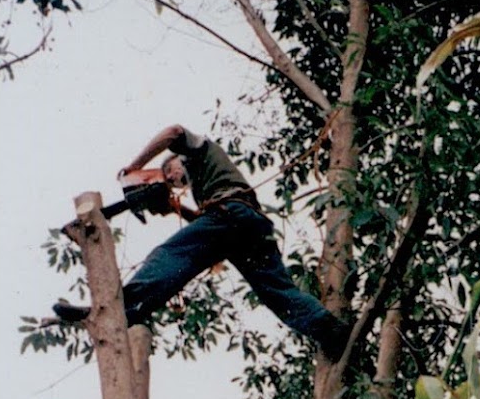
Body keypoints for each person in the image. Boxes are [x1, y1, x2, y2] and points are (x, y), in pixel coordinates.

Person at [53, 124, 352, 361]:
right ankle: (330, 331)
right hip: (249, 226)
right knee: (278, 293)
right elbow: (208, 231)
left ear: (176, 160)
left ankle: (118, 307)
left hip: (231, 217)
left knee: (168, 256)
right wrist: (176, 209)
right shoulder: (206, 185)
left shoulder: (196, 149)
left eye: (171, 174)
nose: (173, 179)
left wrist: (135, 166)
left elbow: (173, 131)